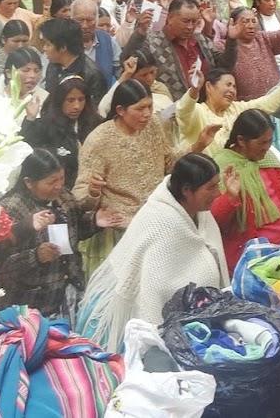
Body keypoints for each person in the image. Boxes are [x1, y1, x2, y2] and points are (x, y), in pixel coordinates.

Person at [77, 153, 230, 351]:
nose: (217, 193)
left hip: (190, 317)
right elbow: (155, 287)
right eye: (210, 188)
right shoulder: (161, 220)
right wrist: (157, 337)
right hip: (131, 315)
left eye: (217, 185)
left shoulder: (201, 213)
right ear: (186, 190)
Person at [71, 79, 220, 276]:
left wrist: (198, 145)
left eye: (150, 106)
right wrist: (92, 192)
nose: (147, 114)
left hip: (157, 221)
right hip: (119, 232)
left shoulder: (153, 126)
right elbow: (79, 197)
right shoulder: (99, 140)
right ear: (120, 110)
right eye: (140, 108)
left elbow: (168, 164)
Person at [0, 149, 121, 319]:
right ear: (29, 182)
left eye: (62, 178)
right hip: (29, 303)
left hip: (67, 292)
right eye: (51, 182)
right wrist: (37, 256)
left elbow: (75, 231)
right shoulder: (10, 208)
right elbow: (3, 267)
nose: (59, 186)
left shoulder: (63, 196)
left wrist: (94, 221)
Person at [211, 109, 280, 272]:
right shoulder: (222, 168)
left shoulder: (267, 159)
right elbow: (213, 220)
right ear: (241, 140)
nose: (266, 147)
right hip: (253, 260)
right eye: (261, 143)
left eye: (269, 141)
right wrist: (230, 197)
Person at [177, 51, 280, 155]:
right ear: (209, 87)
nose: (232, 90)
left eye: (234, 87)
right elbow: (183, 111)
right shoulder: (198, 111)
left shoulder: (237, 108)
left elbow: (266, 103)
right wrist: (194, 90)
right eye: (228, 85)